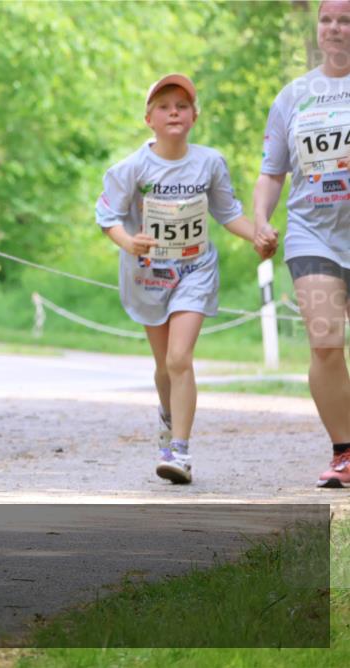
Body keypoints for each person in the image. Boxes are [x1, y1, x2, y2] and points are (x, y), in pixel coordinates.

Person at [95, 73, 276, 485]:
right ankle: (167, 417)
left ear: (194, 116)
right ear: (149, 119)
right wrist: (129, 242)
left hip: (195, 271)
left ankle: (180, 452)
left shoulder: (209, 163)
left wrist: (258, 236)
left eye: (182, 106)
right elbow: (107, 216)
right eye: (163, 107)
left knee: (179, 358)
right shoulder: (133, 168)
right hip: (148, 276)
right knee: (164, 366)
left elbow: (228, 214)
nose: (173, 112)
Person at [254, 0, 350, 489]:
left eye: (345, 19)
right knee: (326, 340)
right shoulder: (294, 95)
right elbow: (272, 172)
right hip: (314, 234)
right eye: (327, 19)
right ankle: (345, 452)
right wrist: (260, 220)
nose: (334, 28)